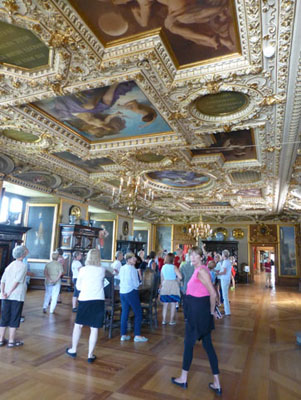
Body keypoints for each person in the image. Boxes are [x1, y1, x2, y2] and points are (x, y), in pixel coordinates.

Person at [171, 246, 222, 395]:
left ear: (201, 257)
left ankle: (183, 378)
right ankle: (217, 382)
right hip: (198, 311)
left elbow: (213, 293)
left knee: (188, 344)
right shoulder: (200, 270)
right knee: (208, 345)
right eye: (190, 255)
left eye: (195, 255)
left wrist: (212, 311)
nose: (192, 258)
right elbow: (210, 290)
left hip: (198, 313)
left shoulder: (201, 271)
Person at [66, 249, 105, 363]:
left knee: (78, 325)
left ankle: (73, 349)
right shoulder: (102, 270)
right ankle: (90, 354)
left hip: (85, 298)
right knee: (94, 328)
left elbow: (78, 287)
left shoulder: (82, 270)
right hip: (98, 299)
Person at [0, 245, 29, 348]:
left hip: (4, 296)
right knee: (14, 317)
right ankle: (11, 341)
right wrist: (9, 292)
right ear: (23, 254)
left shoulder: (10, 265)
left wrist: (3, 292)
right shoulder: (23, 266)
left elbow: (2, 280)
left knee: (4, 317)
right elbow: (17, 281)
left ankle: (1, 339)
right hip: (16, 295)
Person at [119, 252, 148, 342]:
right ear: (128, 260)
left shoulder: (122, 268)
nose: (135, 260)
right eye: (133, 258)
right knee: (138, 312)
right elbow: (136, 284)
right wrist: (140, 282)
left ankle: (123, 334)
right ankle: (137, 335)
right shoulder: (132, 269)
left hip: (122, 292)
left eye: (135, 258)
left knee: (125, 313)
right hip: (131, 292)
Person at [160, 253, 182, 325]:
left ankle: (164, 320)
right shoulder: (174, 267)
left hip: (165, 284)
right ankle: (171, 321)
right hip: (173, 285)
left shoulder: (163, 267)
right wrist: (177, 280)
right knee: (173, 303)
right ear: (173, 259)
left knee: (165, 304)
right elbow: (180, 277)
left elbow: (162, 278)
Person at [216, 249, 232, 316]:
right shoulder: (227, 261)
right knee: (225, 295)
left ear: (224, 255)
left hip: (224, 280)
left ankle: (227, 311)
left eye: (222, 254)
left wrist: (218, 273)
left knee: (225, 296)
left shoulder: (225, 262)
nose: (221, 255)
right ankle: (226, 310)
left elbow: (224, 272)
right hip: (226, 279)